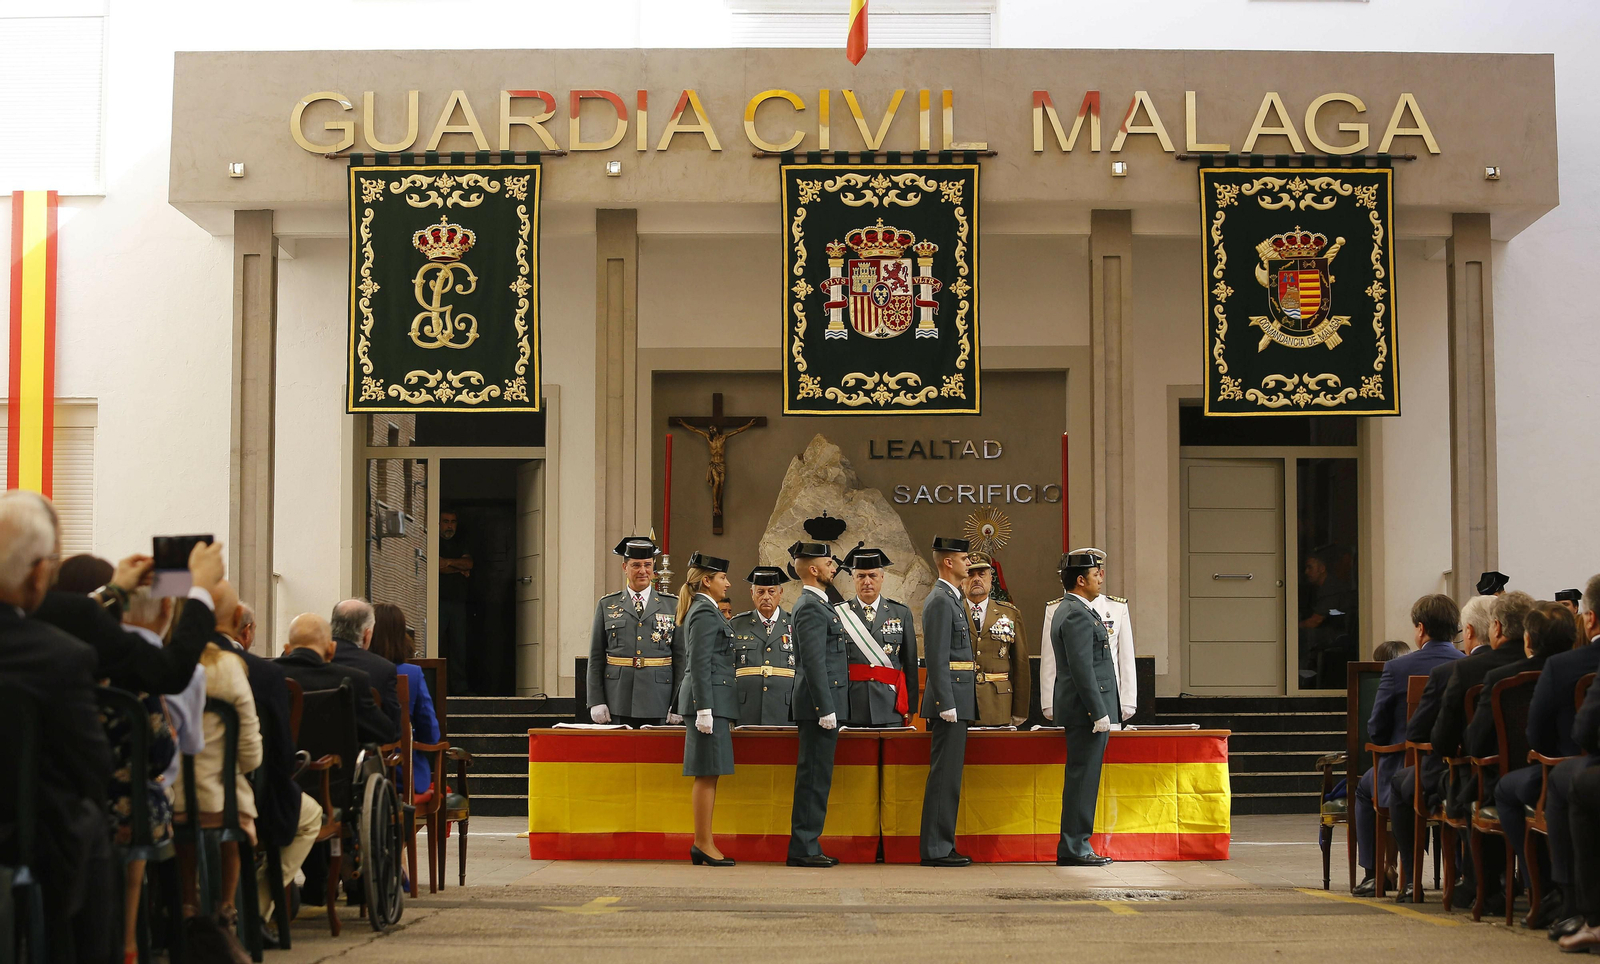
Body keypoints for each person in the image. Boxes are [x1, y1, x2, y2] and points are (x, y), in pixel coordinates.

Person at [0, 490, 115, 964]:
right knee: (88, 823)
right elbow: (93, 768)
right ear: (36, 572)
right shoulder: (59, 656)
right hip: (21, 843)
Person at [1427, 590, 1534, 914]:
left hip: (1489, 777)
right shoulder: (1545, 666)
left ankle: (1480, 884)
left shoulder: (1472, 670)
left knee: (1460, 781)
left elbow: (1445, 742)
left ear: (1496, 628)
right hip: (1540, 771)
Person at [1353, 594, 1464, 900]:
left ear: (1420, 628)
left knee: (1364, 790)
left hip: (1402, 767)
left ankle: (1375, 873)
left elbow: (1376, 728)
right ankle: (1460, 871)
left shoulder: (1397, 667)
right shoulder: (1468, 665)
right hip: (1456, 769)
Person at [171, 626, 263, 931]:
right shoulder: (229, 667)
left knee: (184, 823)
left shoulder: (158, 662)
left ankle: (187, 900)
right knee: (232, 816)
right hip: (221, 800)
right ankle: (226, 902)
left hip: (173, 799)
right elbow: (250, 752)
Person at [1529, 574, 1600, 933]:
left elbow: (1583, 732)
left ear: (1589, 618)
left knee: (1562, 782)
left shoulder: (1563, 666)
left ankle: (1571, 900)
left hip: (1581, 764)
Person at [1045, 551, 1118, 868]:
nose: (1100, 575)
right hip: (1086, 711)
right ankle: (1075, 846)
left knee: (1083, 778)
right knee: (1083, 779)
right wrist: (1097, 711)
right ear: (1080, 579)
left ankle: (1075, 844)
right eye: (1096, 571)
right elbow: (1081, 667)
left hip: (1085, 708)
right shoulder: (1075, 613)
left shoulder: (1075, 609)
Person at [787, 540, 848, 868]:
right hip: (816, 707)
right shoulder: (810, 605)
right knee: (813, 775)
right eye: (828, 563)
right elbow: (812, 662)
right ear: (813, 569)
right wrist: (826, 708)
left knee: (818, 775)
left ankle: (808, 842)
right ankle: (803, 846)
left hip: (821, 705)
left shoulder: (818, 603)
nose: (833, 567)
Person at [919, 535, 976, 868]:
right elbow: (937, 657)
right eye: (964, 558)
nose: (968, 563)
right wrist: (946, 701)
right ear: (947, 562)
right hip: (950, 700)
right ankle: (937, 847)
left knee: (950, 777)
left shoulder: (953, 598)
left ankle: (941, 843)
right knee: (944, 777)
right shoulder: (941, 600)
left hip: (958, 698)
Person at [676, 552, 737, 866]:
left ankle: (704, 841)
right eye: (722, 578)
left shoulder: (707, 610)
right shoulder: (703, 611)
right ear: (706, 581)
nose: (727, 583)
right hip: (707, 701)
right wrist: (703, 709)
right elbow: (699, 663)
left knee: (711, 772)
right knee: (705, 773)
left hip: (713, 701)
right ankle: (702, 842)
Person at [588, 536, 685, 727]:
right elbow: (596, 657)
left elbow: (681, 659)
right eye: (636, 565)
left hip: (659, 698)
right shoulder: (607, 605)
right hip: (618, 698)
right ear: (625, 568)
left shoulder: (672, 605)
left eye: (647, 565)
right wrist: (596, 700)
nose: (643, 571)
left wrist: (678, 702)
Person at [1042, 547, 1138, 724]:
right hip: (1082, 704)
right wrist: (1049, 703)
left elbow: (1125, 657)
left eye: (1100, 573)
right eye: (1095, 574)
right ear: (1080, 579)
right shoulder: (1062, 609)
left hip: (1109, 697)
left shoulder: (1117, 607)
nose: (1100, 579)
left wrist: (1127, 701)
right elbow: (1052, 660)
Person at [277, 614, 399, 745]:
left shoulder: (267, 675)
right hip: (337, 764)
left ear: (287, 649)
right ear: (331, 649)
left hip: (279, 765)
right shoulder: (354, 680)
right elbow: (387, 733)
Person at [838, 545, 918, 728]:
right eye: (861, 576)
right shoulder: (838, 613)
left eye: (872, 576)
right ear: (853, 578)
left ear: (882, 578)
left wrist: (910, 706)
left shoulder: (901, 612)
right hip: (851, 706)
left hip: (890, 705)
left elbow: (910, 663)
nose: (867, 581)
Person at [369, 602, 442, 794]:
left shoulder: (351, 671)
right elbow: (431, 734)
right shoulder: (412, 674)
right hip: (403, 775)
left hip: (359, 773)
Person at [963, 552, 1029, 727]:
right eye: (970, 574)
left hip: (999, 703)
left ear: (991, 579)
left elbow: (1020, 663)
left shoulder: (1010, 613)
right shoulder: (952, 611)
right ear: (962, 580)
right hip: (961, 703)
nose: (976, 579)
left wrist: (1020, 710)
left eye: (982, 574)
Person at [728, 566, 797, 727]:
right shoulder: (737, 625)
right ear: (752, 594)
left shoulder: (795, 624)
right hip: (746, 709)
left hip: (785, 709)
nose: (766, 597)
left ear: (780, 594)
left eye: (771, 592)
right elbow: (726, 669)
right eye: (760, 592)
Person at [330, 598, 402, 731]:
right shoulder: (382, 669)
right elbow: (392, 730)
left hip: (301, 749)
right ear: (367, 635)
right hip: (356, 749)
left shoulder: (295, 660)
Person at [437, 508, 473, 695]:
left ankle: (460, 689)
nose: (450, 526)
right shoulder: (433, 542)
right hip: (438, 603)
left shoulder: (462, 542)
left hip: (459, 603)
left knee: (459, 647)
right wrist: (458, 567)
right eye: (445, 521)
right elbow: (436, 567)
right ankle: (436, 687)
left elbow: (469, 564)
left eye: (453, 522)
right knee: (436, 645)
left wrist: (448, 562)